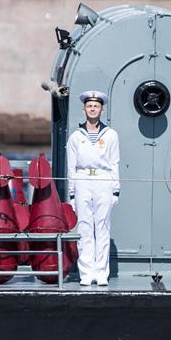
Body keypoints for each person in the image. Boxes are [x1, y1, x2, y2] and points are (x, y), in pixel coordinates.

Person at [66, 91, 120, 286]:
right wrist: (71, 193)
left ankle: (101, 272)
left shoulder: (111, 135)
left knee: (103, 227)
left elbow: (115, 163)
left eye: (96, 106)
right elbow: (71, 167)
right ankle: (87, 272)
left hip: (103, 180)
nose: (92, 109)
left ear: (101, 109)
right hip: (82, 180)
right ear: (84, 109)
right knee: (85, 228)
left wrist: (115, 189)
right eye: (89, 106)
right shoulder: (75, 137)